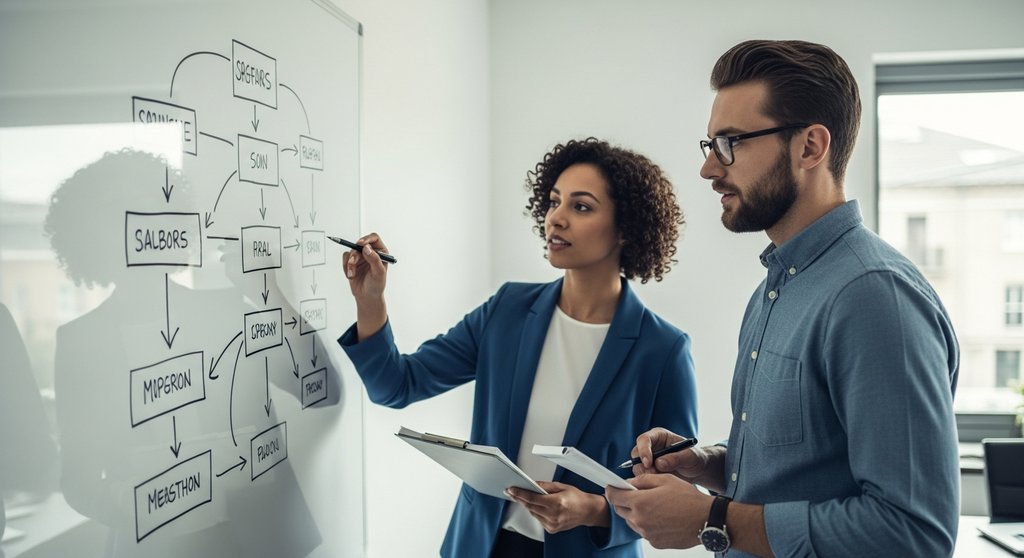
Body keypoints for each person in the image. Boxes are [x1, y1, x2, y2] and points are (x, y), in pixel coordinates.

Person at [606, 40, 960, 557]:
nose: (709, 169)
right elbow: (805, 471)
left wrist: (712, 518)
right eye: (709, 145)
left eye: (731, 143)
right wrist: (706, 464)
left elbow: (913, 533)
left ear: (811, 147)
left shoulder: (874, 297)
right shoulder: (775, 288)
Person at [338, 137, 698, 557]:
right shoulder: (507, 310)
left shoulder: (662, 349)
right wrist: (371, 300)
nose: (556, 219)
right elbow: (395, 386)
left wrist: (596, 511)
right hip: (481, 546)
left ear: (625, 228)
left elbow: (677, 497)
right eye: (553, 201)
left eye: (580, 207)